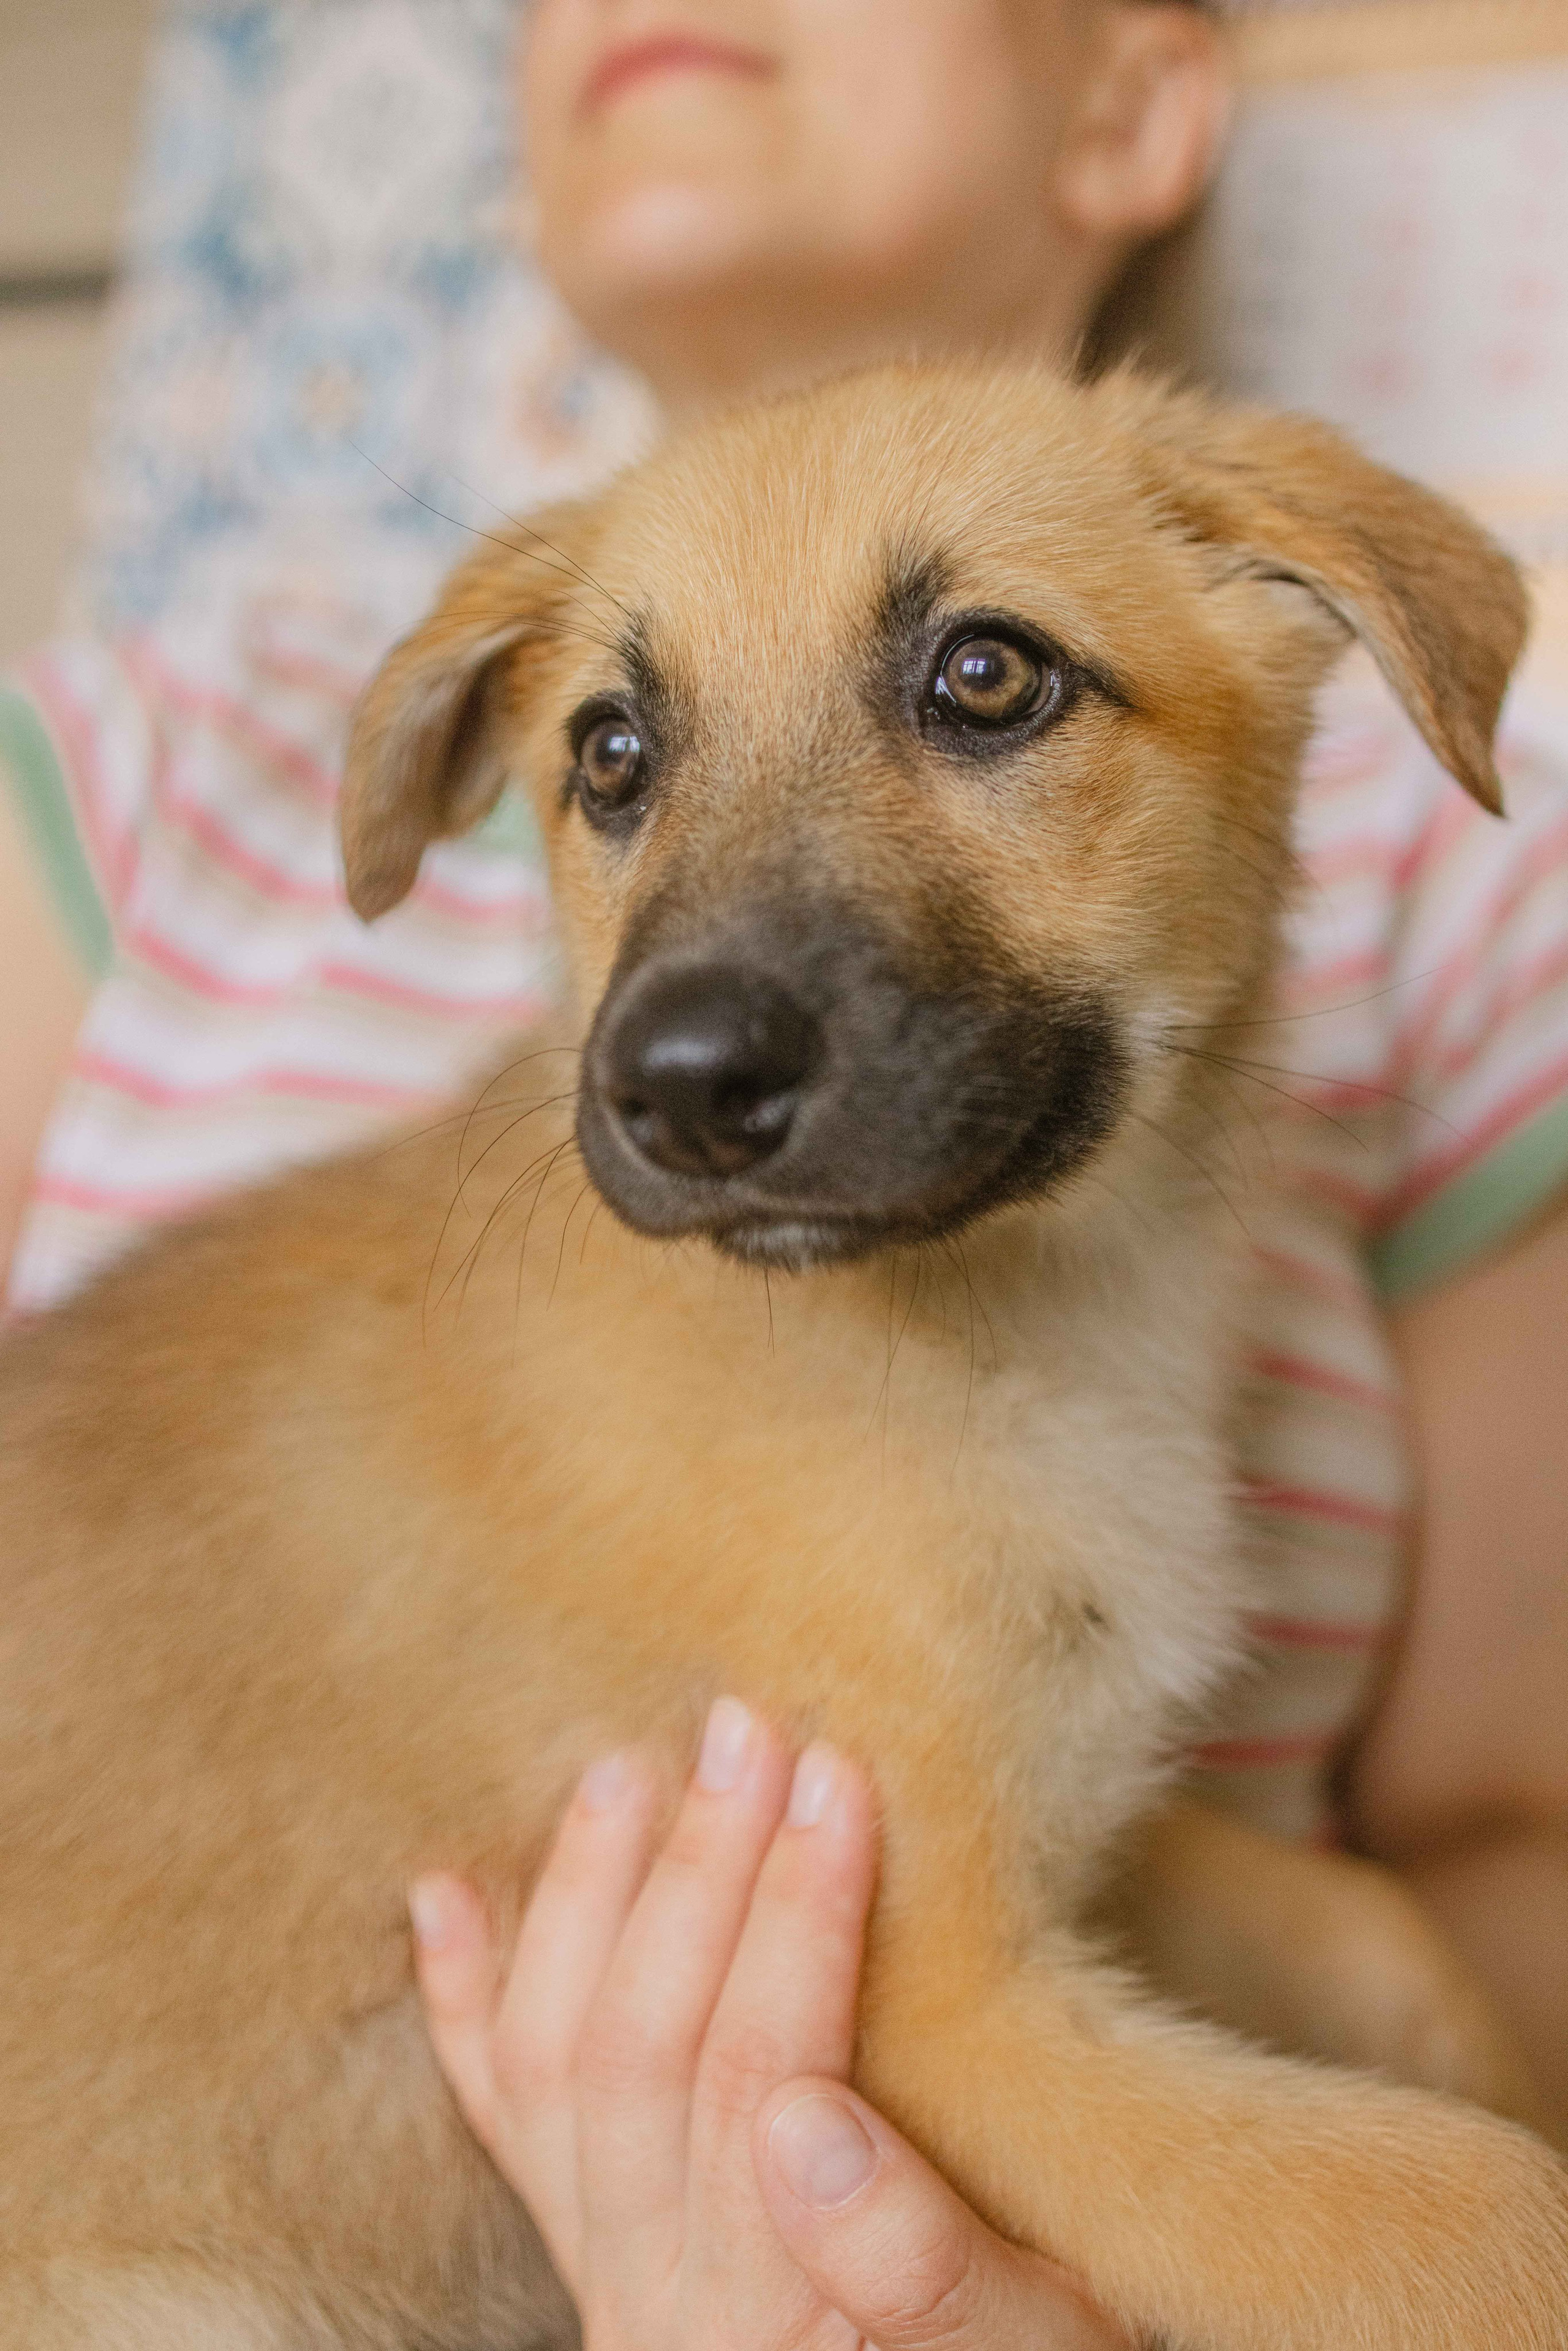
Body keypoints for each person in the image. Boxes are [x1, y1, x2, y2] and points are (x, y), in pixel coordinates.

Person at [1, 0, 1564, 2339]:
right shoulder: (139, 754)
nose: (696, 1025)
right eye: (617, 758)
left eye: (982, 691)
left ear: (1133, 92)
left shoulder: (1476, 929)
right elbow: (953, 1993)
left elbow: (1451, 1855)